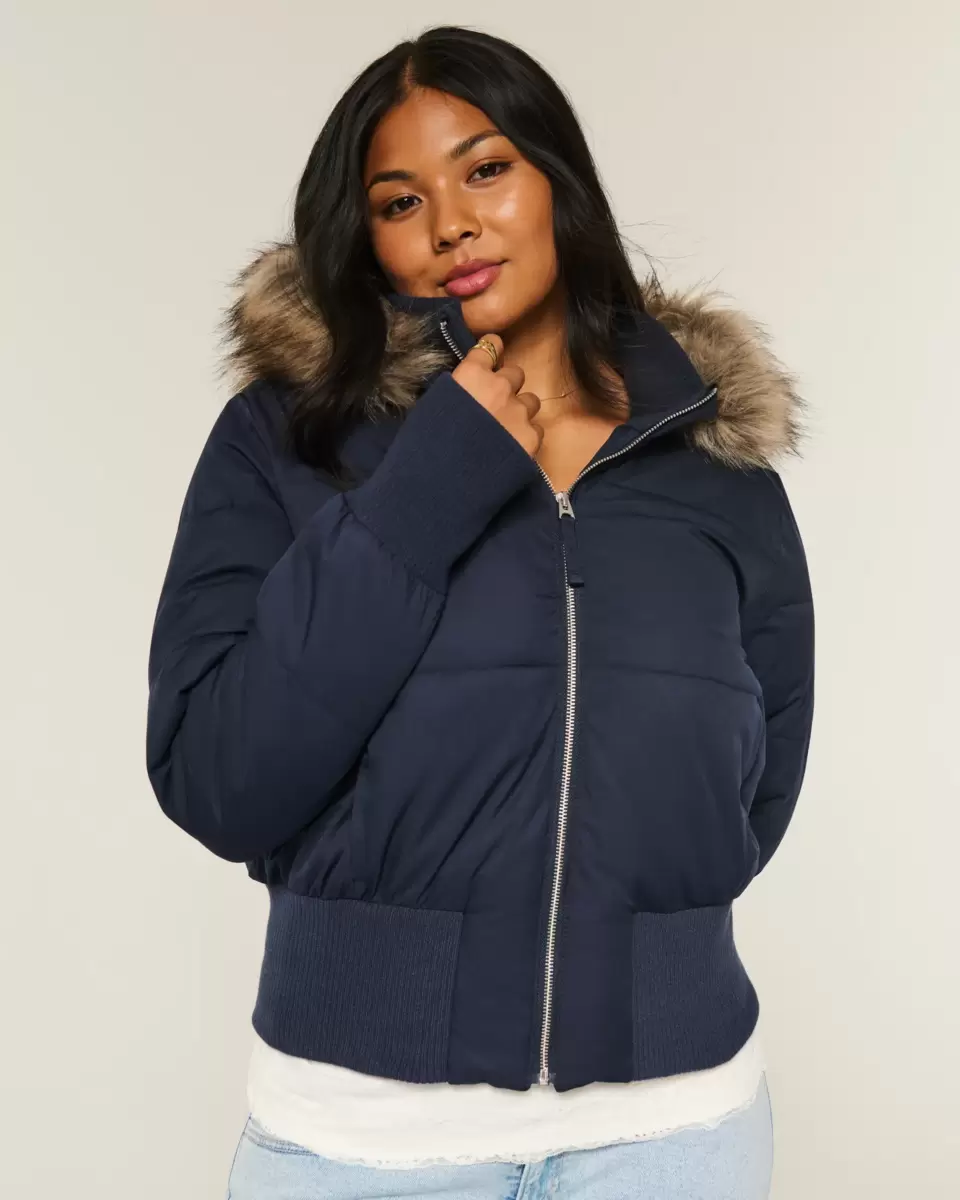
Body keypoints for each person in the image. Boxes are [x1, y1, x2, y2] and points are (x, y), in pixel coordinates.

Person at [145, 23, 814, 1200]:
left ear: (559, 181)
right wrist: (427, 488)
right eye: (400, 201)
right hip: (364, 1142)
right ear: (367, 240)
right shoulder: (288, 442)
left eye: (486, 169)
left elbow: (761, 768)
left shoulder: (711, 460)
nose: (451, 223)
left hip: (680, 1133)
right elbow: (216, 776)